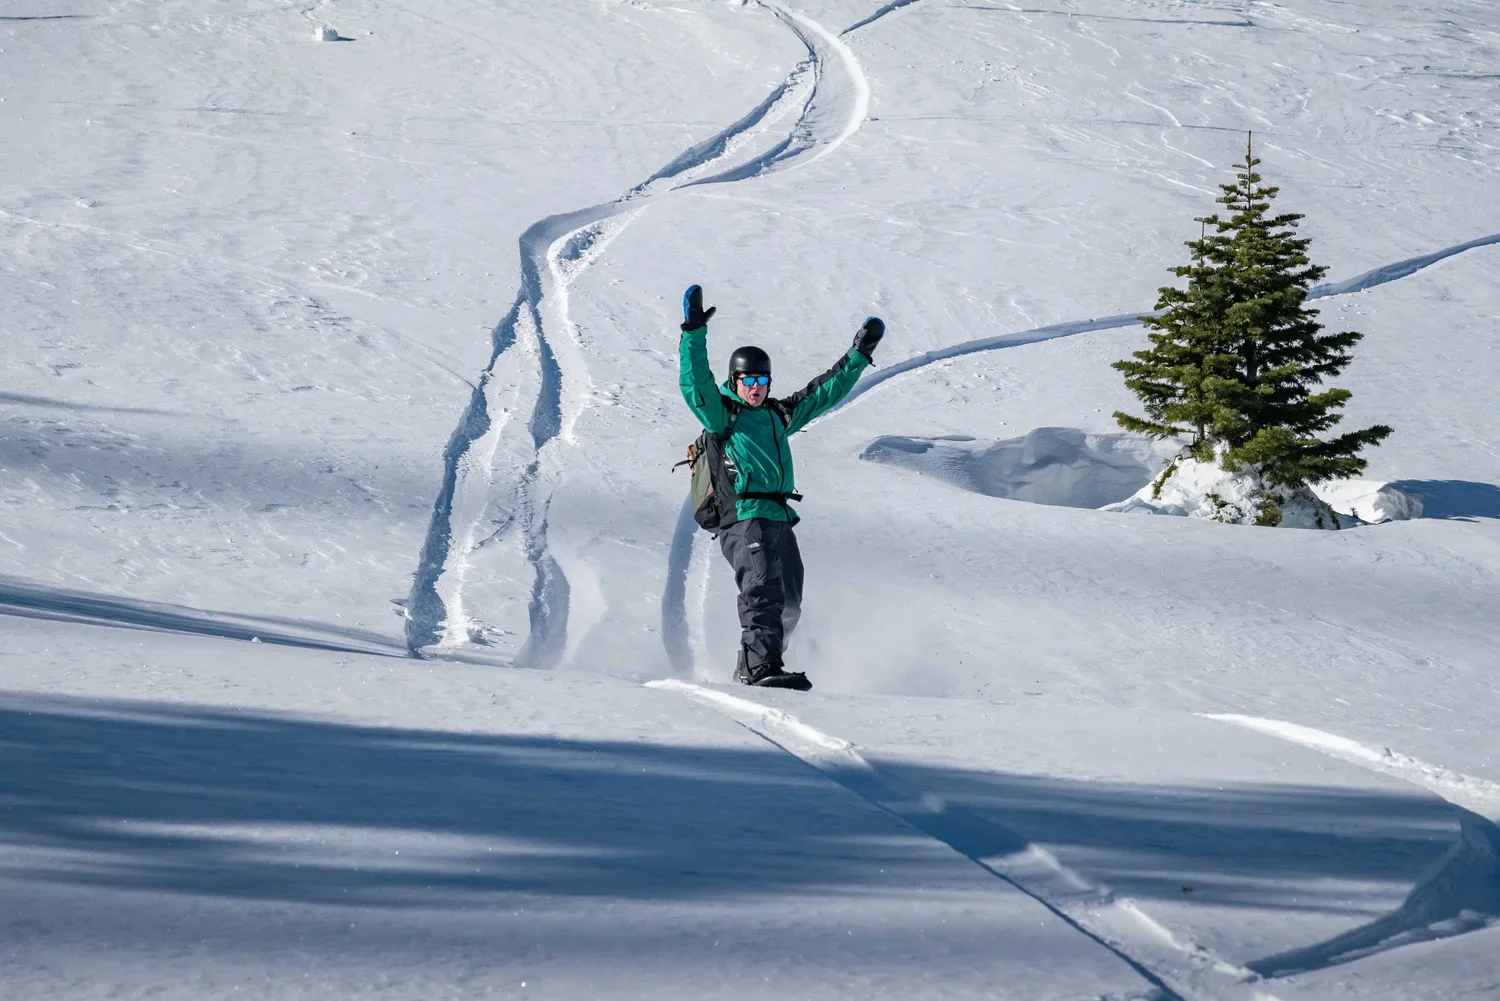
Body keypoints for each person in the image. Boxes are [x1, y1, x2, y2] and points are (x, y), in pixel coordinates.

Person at [677, 284, 886, 690]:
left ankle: (753, 661)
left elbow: (823, 393)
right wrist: (693, 332)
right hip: (743, 517)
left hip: (778, 518)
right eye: (748, 380)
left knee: (789, 601)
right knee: (762, 588)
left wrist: (859, 355)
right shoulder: (723, 415)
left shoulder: (777, 414)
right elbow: (695, 383)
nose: (756, 387)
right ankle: (760, 666)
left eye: (762, 380)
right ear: (735, 382)